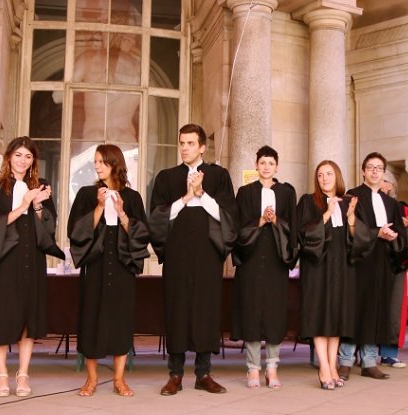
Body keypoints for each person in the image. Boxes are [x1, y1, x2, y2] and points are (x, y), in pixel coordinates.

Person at [148, 124, 237, 395]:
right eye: (182, 143)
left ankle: (204, 373)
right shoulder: (166, 177)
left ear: (202, 147)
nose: (185, 148)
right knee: (177, 309)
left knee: (205, 310)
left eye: (190, 143)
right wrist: (186, 197)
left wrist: (202, 195)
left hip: (207, 255)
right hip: (177, 254)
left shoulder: (219, 176)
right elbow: (156, 218)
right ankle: (175, 374)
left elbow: (229, 216)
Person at [0, 137, 63, 398]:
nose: (23, 161)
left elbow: (49, 229)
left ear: (33, 161)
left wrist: (37, 205)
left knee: (29, 314)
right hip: (4, 261)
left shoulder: (41, 186)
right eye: (18, 155)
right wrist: (23, 205)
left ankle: (23, 373)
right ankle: (2, 373)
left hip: (32, 258)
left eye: (28, 156)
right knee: (2, 315)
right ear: (8, 158)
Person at [68, 144, 150, 396]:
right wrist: (100, 207)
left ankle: (119, 379)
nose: (97, 166)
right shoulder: (85, 194)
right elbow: (76, 231)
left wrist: (122, 213)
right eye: (96, 161)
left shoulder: (133, 197)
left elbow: (142, 234)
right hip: (95, 266)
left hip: (122, 265)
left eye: (103, 161)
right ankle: (91, 379)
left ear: (115, 163)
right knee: (91, 318)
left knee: (121, 321)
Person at [338, 152, 408, 381]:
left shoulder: (391, 203)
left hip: (382, 263)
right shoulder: (352, 197)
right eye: (370, 167)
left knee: (376, 311)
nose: (375, 171)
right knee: (354, 311)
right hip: (358, 263)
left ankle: (369, 362)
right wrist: (375, 233)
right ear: (363, 171)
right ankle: (345, 361)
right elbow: (348, 228)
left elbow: (401, 234)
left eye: (379, 168)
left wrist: (392, 236)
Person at [232, 146, 298, 389]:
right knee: (250, 312)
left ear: (277, 166)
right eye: (263, 163)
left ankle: (272, 367)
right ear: (256, 165)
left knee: (273, 313)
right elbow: (237, 228)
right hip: (250, 261)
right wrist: (260, 221)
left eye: (271, 163)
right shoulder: (245, 192)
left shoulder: (287, 193)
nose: (267, 167)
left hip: (275, 261)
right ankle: (252, 368)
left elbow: (294, 228)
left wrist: (276, 221)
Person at [297, 161, 362, 389]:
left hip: (341, 267)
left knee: (336, 315)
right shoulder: (308, 201)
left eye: (329, 174)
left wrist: (352, 218)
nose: (325, 178)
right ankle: (324, 367)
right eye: (320, 174)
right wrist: (326, 214)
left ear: (337, 176)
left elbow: (356, 240)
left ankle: (333, 365)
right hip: (317, 268)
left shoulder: (347, 203)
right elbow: (303, 233)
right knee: (318, 314)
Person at [379, 174, 408, 368]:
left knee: (393, 310)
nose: (384, 186)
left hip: (395, 265)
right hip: (373, 264)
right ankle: (364, 353)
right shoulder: (366, 203)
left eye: (388, 183)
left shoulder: (402, 209)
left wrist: (406, 227)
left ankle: (389, 353)